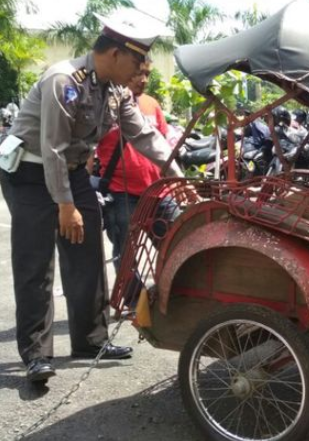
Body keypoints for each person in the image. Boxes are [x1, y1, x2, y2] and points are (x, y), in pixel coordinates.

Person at [0, 15, 186, 384]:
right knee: (36, 261)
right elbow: (52, 149)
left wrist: (179, 176)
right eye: (136, 63)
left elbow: (146, 137)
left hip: (68, 170)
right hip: (29, 172)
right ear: (115, 54)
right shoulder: (63, 80)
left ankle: (89, 341)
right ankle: (36, 354)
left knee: (86, 252)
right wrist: (65, 208)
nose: (140, 71)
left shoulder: (114, 91)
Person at [95, 59, 168, 268]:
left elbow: (162, 145)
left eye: (147, 74)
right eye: (138, 73)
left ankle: (172, 292)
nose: (143, 79)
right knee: (126, 255)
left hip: (158, 192)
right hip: (122, 195)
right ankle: (132, 299)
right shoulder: (104, 106)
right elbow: (89, 149)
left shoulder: (152, 104)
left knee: (176, 243)